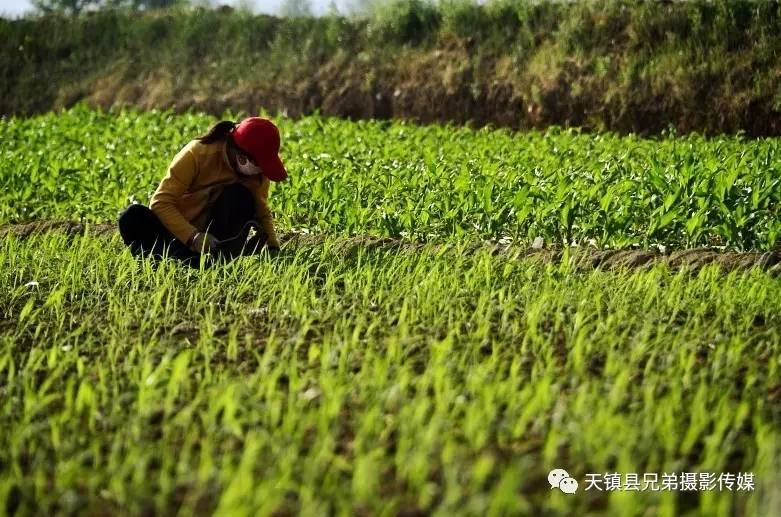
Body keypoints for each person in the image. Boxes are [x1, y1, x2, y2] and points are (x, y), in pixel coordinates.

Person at [118, 117, 287, 268]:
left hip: (214, 242)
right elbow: (161, 203)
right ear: (242, 158)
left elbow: (261, 209)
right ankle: (172, 261)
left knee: (240, 196)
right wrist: (193, 237)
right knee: (131, 216)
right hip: (176, 233)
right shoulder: (197, 153)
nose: (263, 172)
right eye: (260, 165)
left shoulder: (258, 173)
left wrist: (272, 246)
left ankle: (214, 260)